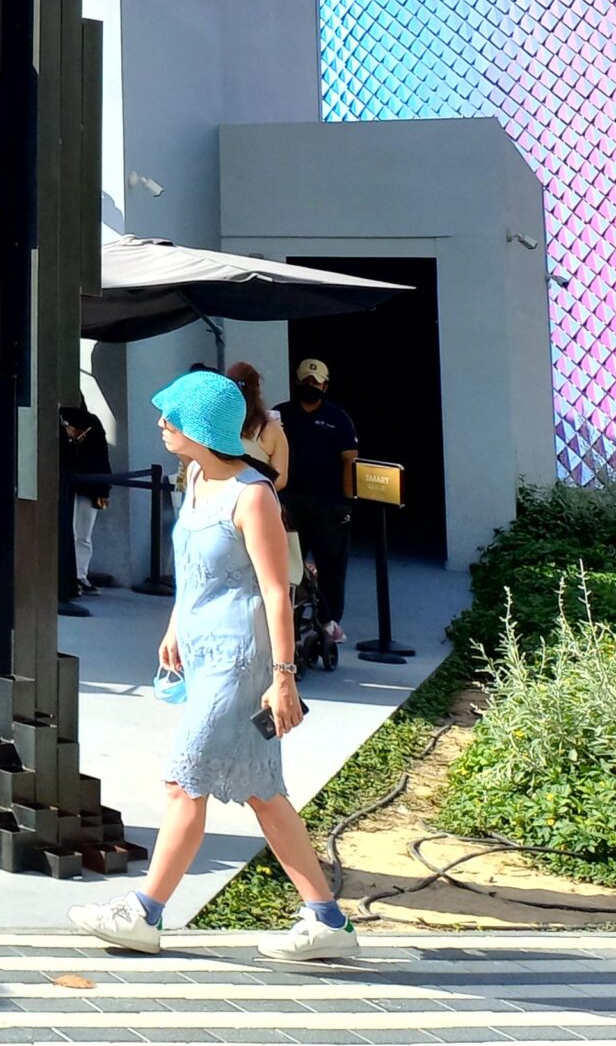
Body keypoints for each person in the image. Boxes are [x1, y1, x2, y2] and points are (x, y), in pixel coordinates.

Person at [70, 369, 360, 964]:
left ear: (201, 426)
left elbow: (276, 591)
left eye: (172, 416)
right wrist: (175, 625)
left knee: (185, 781)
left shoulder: (253, 495)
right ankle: (327, 919)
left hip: (241, 662)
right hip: (204, 654)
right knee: (263, 791)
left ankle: (144, 911)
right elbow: (193, 568)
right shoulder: (197, 477)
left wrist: (284, 676)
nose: (161, 423)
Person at [278, 358, 360, 642]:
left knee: (332, 566)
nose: (310, 385)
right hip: (288, 503)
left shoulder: (339, 418)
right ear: (297, 382)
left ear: (325, 385)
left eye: (316, 381)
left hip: (329, 505)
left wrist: (347, 503)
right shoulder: (280, 415)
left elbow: (350, 461)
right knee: (288, 565)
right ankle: (288, 621)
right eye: (306, 380)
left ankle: (329, 621)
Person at [60, 401, 112, 596]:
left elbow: (101, 456)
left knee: (82, 534)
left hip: (88, 485)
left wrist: (103, 490)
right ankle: (74, 575)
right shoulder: (66, 424)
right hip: (77, 484)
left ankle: (80, 575)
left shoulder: (91, 424)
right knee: (77, 534)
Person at [227, 361, 290, 491]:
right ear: (257, 391)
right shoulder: (271, 429)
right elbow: (280, 480)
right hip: (255, 495)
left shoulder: (215, 425)